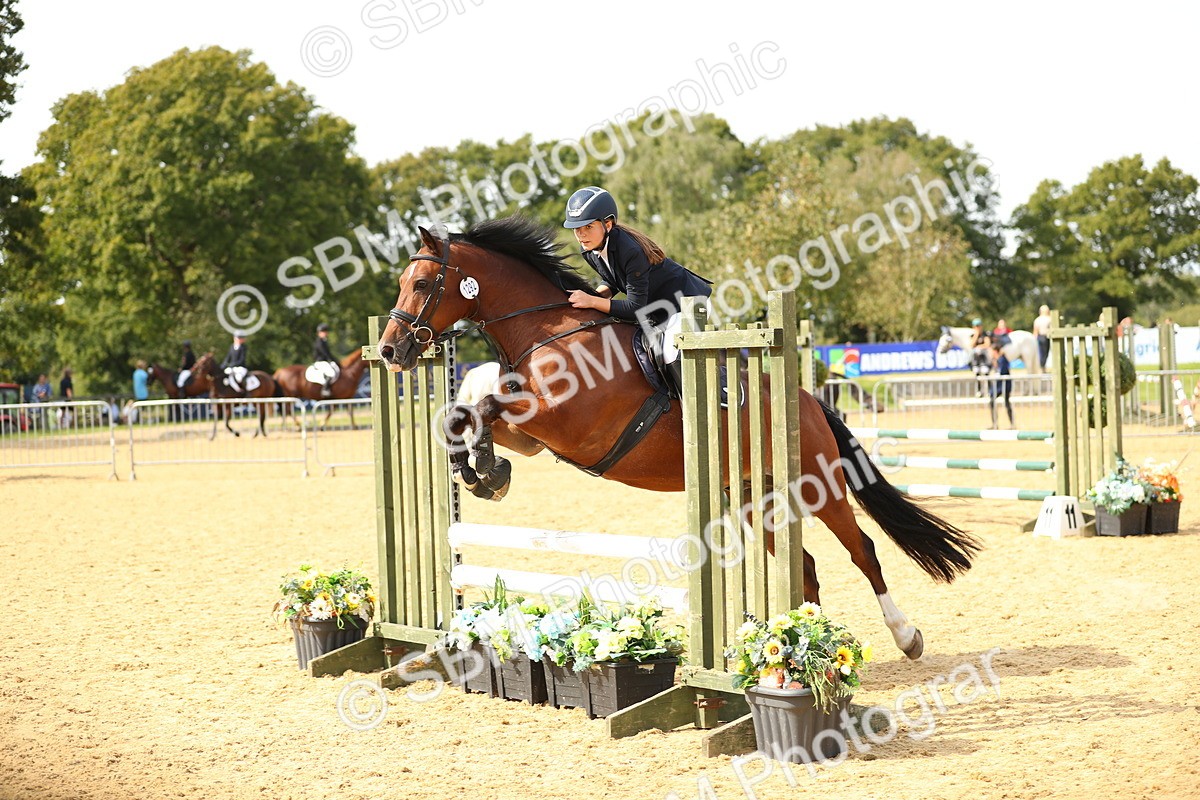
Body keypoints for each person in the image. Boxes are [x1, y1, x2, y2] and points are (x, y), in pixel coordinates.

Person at [562, 186, 713, 398]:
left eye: (588, 226)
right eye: (576, 229)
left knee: (669, 353)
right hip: (657, 310)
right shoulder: (590, 249)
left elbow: (635, 307)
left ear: (608, 224)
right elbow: (613, 279)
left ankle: (695, 406)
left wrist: (592, 302)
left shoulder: (630, 250)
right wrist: (599, 295)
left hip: (687, 304)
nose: (581, 235)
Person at [988, 342, 1014, 429]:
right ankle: (995, 423)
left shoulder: (1003, 360)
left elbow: (1001, 372)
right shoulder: (996, 360)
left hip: (1004, 385)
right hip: (998, 386)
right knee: (992, 401)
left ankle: (1012, 424)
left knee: (1006, 403)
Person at [310, 323, 340, 398]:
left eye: (325, 331)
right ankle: (325, 389)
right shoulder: (319, 342)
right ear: (319, 333)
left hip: (324, 361)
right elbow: (325, 353)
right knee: (331, 373)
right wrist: (333, 359)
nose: (325, 333)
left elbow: (328, 353)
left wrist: (334, 359)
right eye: (323, 332)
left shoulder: (324, 341)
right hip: (320, 361)